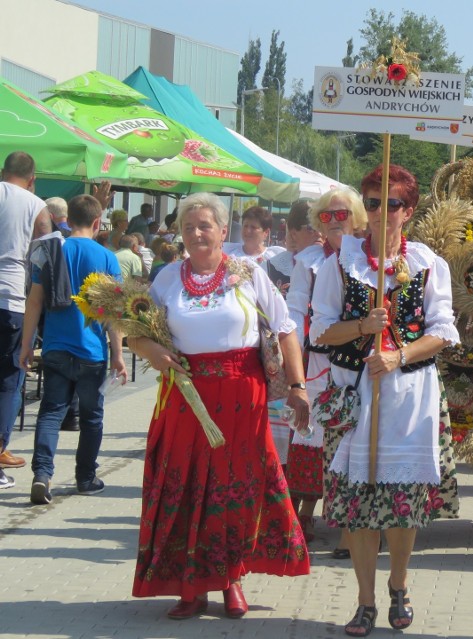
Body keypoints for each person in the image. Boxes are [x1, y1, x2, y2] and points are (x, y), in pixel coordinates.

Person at [127, 192, 310, 619]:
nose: (195, 233)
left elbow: (285, 330)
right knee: (189, 486)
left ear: (223, 231)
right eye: (188, 227)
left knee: (235, 489)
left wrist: (299, 386)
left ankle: (231, 579)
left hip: (241, 397)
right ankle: (192, 586)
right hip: (184, 396)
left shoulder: (248, 274)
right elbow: (136, 330)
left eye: (204, 225)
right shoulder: (168, 278)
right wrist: (150, 351)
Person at [310, 164, 459, 637]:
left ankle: (398, 583)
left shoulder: (429, 263)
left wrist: (399, 355)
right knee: (357, 507)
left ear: (408, 211)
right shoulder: (340, 262)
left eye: (390, 204)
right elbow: (320, 330)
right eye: (372, 203)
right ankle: (365, 599)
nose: (378, 213)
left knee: (402, 502)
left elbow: (443, 331)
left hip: (410, 395)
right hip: (354, 393)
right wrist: (361, 327)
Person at [19, 194, 126, 504]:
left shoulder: (52, 251)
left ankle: (42, 474)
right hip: (92, 351)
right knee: (92, 418)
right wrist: (118, 354)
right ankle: (85, 477)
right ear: (96, 223)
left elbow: (34, 301)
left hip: (55, 347)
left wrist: (27, 345)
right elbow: (113, 312)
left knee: (51, 413)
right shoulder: (107, 257)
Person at [285, 187, 366, 556]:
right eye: (326, 216)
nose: (334, 222)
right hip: (319, 361)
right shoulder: (310, 260)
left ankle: (352, 524)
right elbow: (294, 314)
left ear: (358, 217)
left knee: (356, 438)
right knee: (310, 433)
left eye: (342, 214)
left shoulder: (370, 257)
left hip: (362, 363)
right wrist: (293, 369)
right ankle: (303, 514)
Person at [0, 152, 52, 489]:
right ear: (32, 178)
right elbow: (45, 257)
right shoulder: (36, 205)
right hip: (11, 298)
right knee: (9, 379)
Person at [224, 205, 286, 271]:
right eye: (245, 226)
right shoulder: (228, 252)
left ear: (266, 232)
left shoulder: (275, 256)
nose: (248, 231)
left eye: (253, 227)